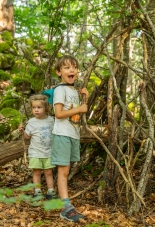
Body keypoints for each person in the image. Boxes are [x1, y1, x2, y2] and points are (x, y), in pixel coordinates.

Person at [51, 55, 89, 222]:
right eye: (66, 68)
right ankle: (66, 208)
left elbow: (81, 111)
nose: (71, 70)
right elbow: (58, 114)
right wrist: (80, 108)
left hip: (72, 134)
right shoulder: (60, 90)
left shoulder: (73, 90)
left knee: (66, 170)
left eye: (74, 67)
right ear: (59, 72)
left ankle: (65, 204)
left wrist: (85, 97)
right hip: (62, 134)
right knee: (63, 171)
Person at [19, 94, 56, 199]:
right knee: (37, 172)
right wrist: (22, 131)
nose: (36, 110)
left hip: (48, 152)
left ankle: (51, 192)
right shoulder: (31, 122)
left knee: (48, 172)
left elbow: (55, 132)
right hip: (35, 152)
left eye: (39, 107)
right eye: (34, 107)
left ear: (45, 108)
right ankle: (37, 192)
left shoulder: (51, 120)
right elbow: (27, 137)